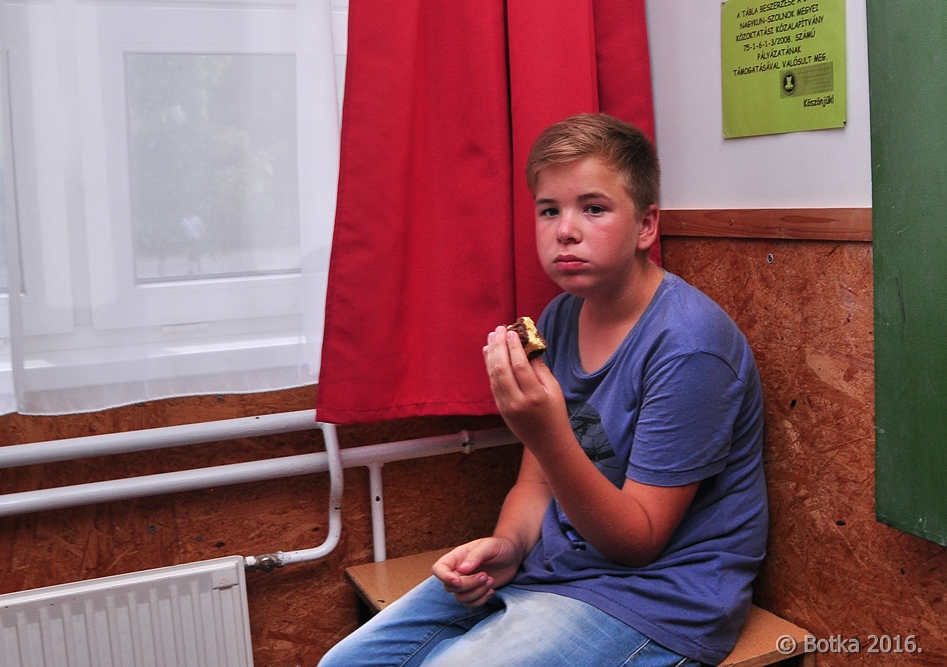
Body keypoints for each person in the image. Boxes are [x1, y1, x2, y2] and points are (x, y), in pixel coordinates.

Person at [319, 113, 768, 667]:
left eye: (594, 208)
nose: (565, 230)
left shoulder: (690, 347)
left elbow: (639, 542)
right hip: (550, 572)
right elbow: (535, 485)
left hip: (658, 600)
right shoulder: (558, 319)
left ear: (646, 226)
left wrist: (545, 430)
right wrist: (508, 546)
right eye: (549, 210)